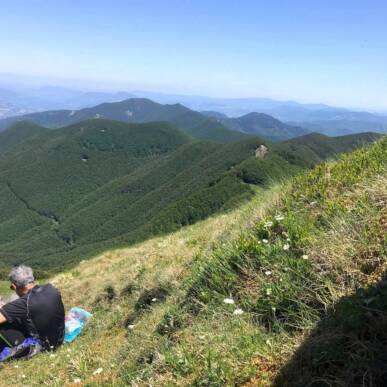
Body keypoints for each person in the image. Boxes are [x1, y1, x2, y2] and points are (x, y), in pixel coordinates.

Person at [0, 265, 65, 353]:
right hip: (60, 337)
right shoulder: (51, 288)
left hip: (43, 345)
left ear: (14, 286)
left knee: (4, 322)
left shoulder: (24, 303)